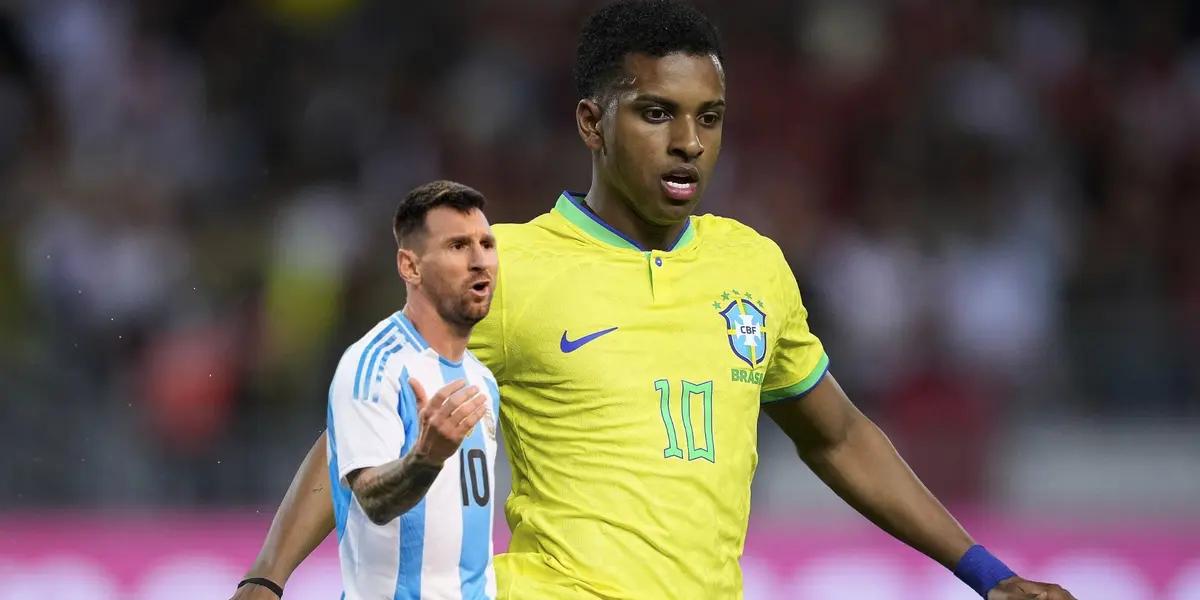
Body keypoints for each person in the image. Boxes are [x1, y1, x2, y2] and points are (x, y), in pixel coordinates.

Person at [232, 2, 1075, 599]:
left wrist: (988, 577)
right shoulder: (505, 264)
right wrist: (268, 577)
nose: (688, 142)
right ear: (592, 125)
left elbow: (841, 436)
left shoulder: (754, 268)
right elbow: (359, 426)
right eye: (656, 113)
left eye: (709, 117)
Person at [233, 180, 502, 600]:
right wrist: (424, 459)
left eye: (486, 244)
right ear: (410, 267)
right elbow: (372, 499)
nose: (479, 260)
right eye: (457, 246)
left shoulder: (480, 377)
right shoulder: (375, 365)